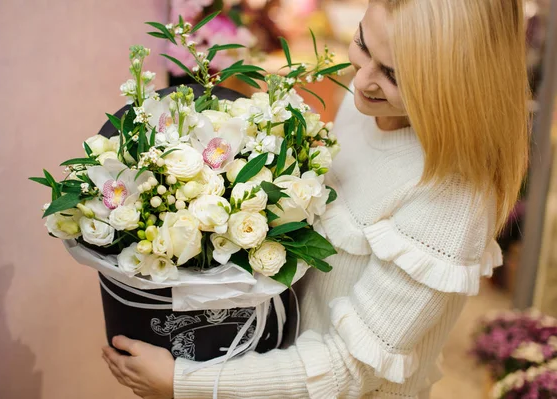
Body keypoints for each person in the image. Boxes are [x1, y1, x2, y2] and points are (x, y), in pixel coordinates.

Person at [101, 0, 530, 397]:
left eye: (395, 76)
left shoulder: (452, 195)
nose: (362, 80)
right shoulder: (367, 107)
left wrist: (185, 383)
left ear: (463, 82)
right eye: (362, 44)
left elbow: (349, 370)